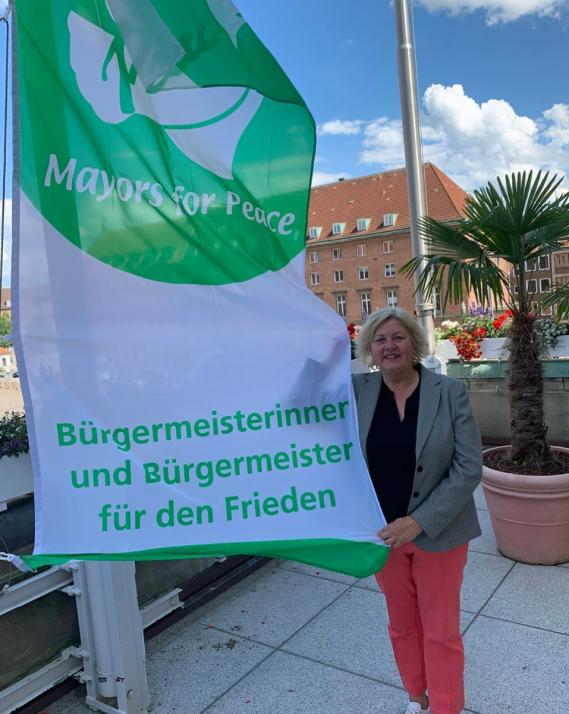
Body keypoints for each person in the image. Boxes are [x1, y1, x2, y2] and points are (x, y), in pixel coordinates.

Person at [353, 307, 482, 714]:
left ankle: (445, 707)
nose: (389, 346)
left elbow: (468, 467)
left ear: (414, 343)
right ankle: (416, 696)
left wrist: (419, 521)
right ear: (369, 350)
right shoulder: (357, 391)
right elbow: (302, 395)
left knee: (441, 630)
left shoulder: (449, 392)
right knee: (402, 625)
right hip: (383, 535)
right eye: (380, 339)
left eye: (398, 337)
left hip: (438, 533)